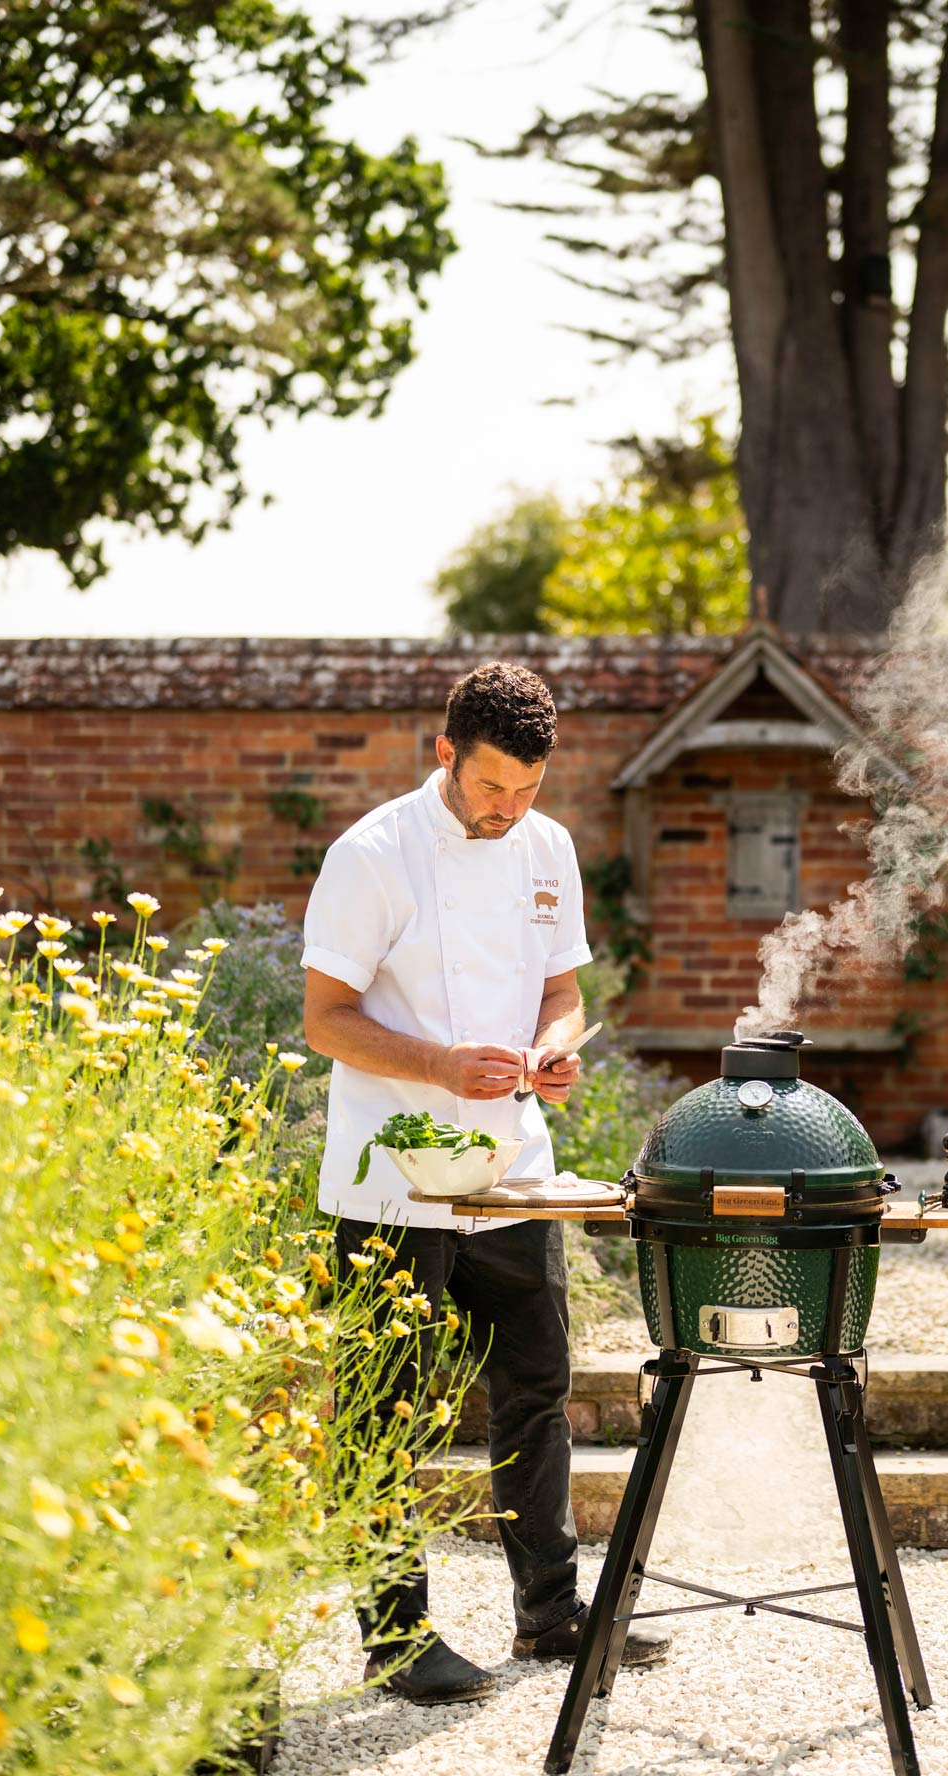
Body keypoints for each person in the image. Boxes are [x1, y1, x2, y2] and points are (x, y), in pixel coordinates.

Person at [300, 661, 669, 1704]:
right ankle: (396, 1639)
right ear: (445, 753)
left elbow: (561, 990)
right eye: (492, 784)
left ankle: (551, 1612)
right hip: (393, 1180)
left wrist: (557, 1047)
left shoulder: (548, 849)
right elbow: (324, 1019)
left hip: (511, 1169)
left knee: (538, 1388)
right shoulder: (372, 855)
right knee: (384, 1409)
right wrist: (437, 1064)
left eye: (529, 787)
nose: (509, 807)